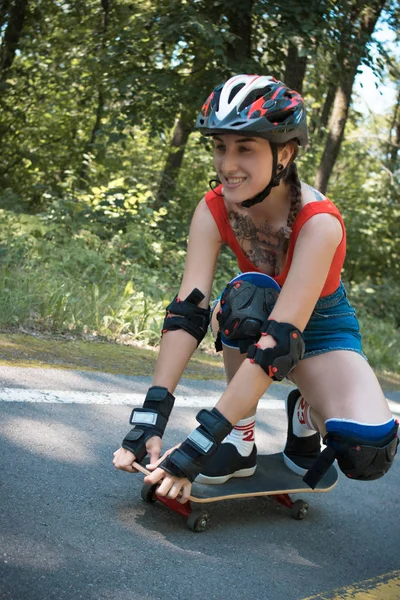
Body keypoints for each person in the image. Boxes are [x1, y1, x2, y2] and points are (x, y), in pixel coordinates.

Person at [113, 74, 398, 503]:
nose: (227, 164)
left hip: (320, 325)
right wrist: (150, 417)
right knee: (246, 295)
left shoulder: (319, 223)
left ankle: (304, 413)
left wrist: (196, 445)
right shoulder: (213, 209)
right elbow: (187, 312)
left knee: (368, 454)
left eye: (245, 147)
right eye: (220, 146)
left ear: (283, 153)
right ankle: (240, 440)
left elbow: (279, 343)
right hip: (260, 314)